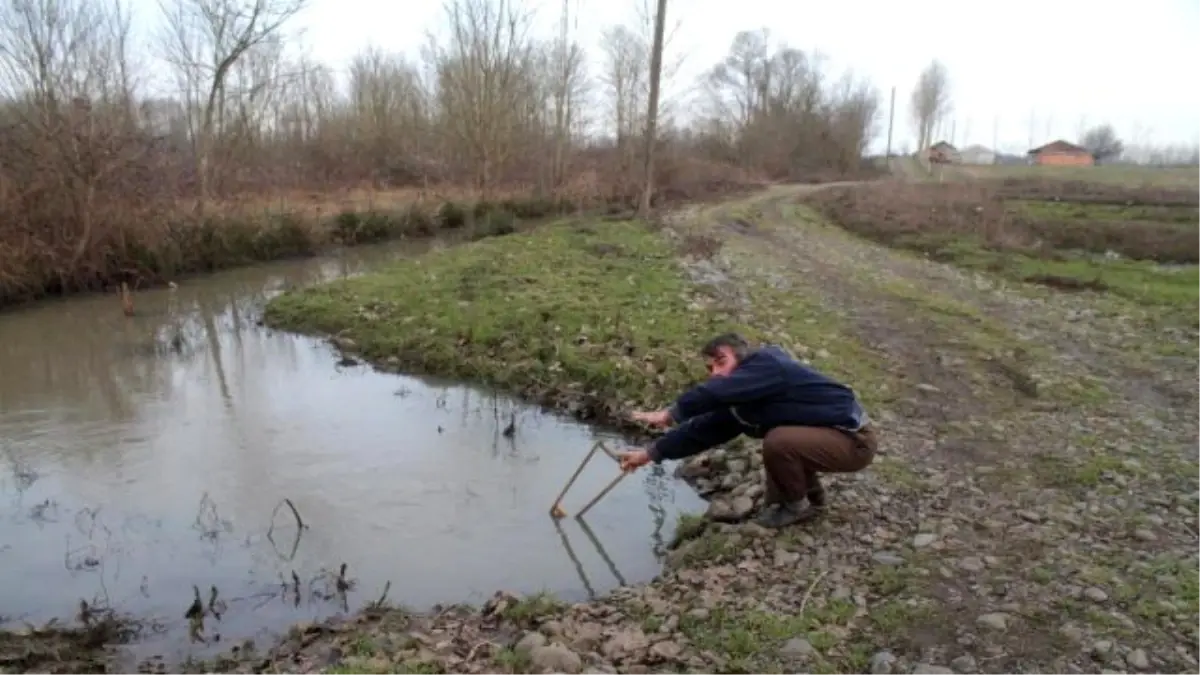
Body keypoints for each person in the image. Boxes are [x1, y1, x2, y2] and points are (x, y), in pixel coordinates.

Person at [618, 332, 878, 529]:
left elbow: (713, 392)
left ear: (743, 357)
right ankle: (812, 501)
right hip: (827, 439)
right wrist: (649, 454)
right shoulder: (744, 398)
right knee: (783, 438)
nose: (716, 374)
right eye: (710, 369)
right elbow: (702, 430)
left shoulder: (768, 365)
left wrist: (671, 413)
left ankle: (797, 508)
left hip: (853, 442)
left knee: (779, 441)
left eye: (721, 362)